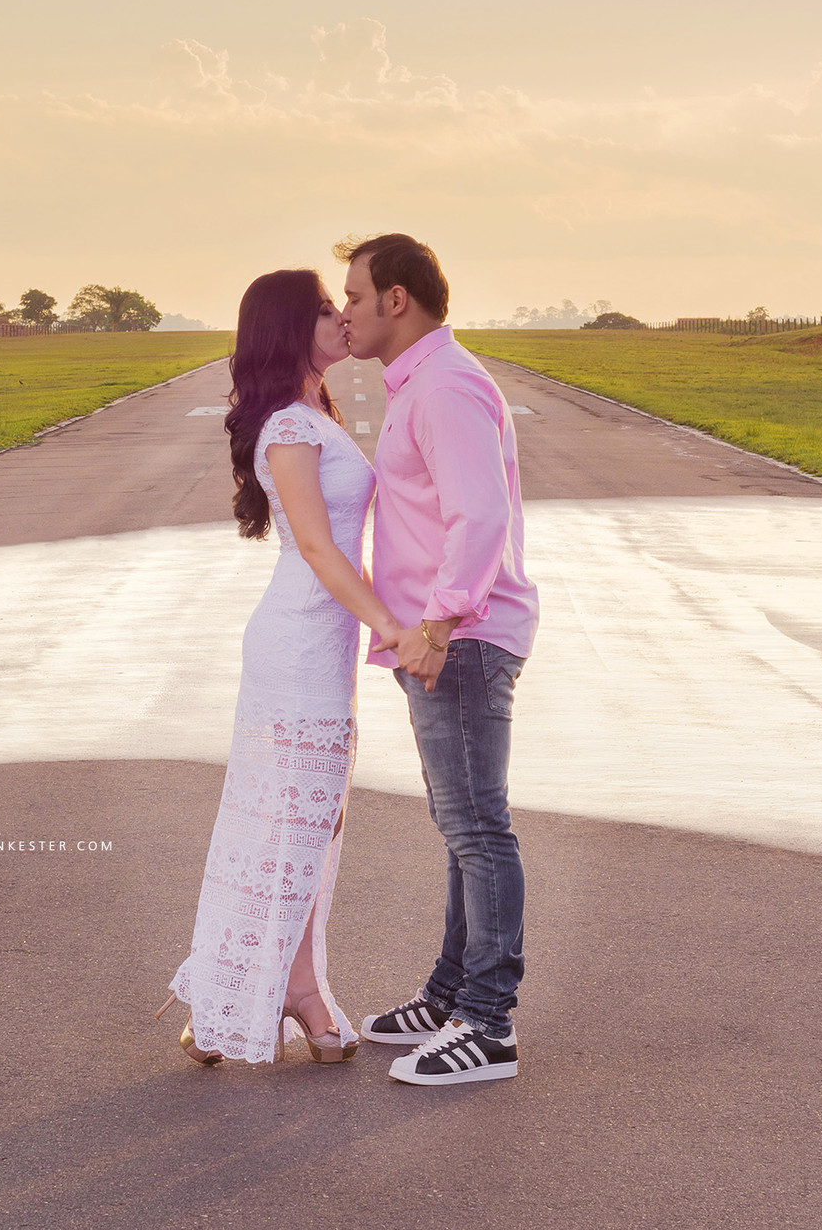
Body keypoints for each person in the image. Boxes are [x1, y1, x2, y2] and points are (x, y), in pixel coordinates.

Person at [158, 268, 401, 1066]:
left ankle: (278, 988)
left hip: (318, 647)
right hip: (297, 645)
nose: (340, 319)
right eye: (325, 310)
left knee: (310, 823)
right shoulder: (288, 430)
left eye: (342, 306)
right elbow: (320, 547)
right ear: (290, 327)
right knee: (286, 823)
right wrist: (389, 626)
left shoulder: (314, 412)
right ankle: (256, 993)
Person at [336, 233, 539, 1087]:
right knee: (461, 830)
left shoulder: (446, 386)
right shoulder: (422, 383)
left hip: (460, 638)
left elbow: (478, 515)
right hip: (443, 638)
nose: (342, 311)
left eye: (351, 296)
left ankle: (487, 1025)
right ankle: (452, 992)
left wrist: (440, 621)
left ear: (395, 300)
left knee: (477, 830)